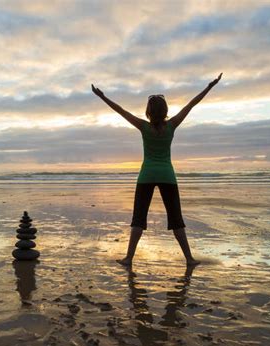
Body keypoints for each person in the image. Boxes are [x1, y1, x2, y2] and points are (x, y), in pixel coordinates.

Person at [91, 73, 222, 266]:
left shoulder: (143, 127)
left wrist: (102, 96)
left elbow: (121, 111)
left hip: (146, 176)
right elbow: (191, 105)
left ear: (149, 112)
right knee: (176, 218)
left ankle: (128, 258)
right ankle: (189, 258)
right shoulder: (172, 125)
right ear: (165, 110)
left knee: (138, 218)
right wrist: (210, 87)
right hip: (167, 176)